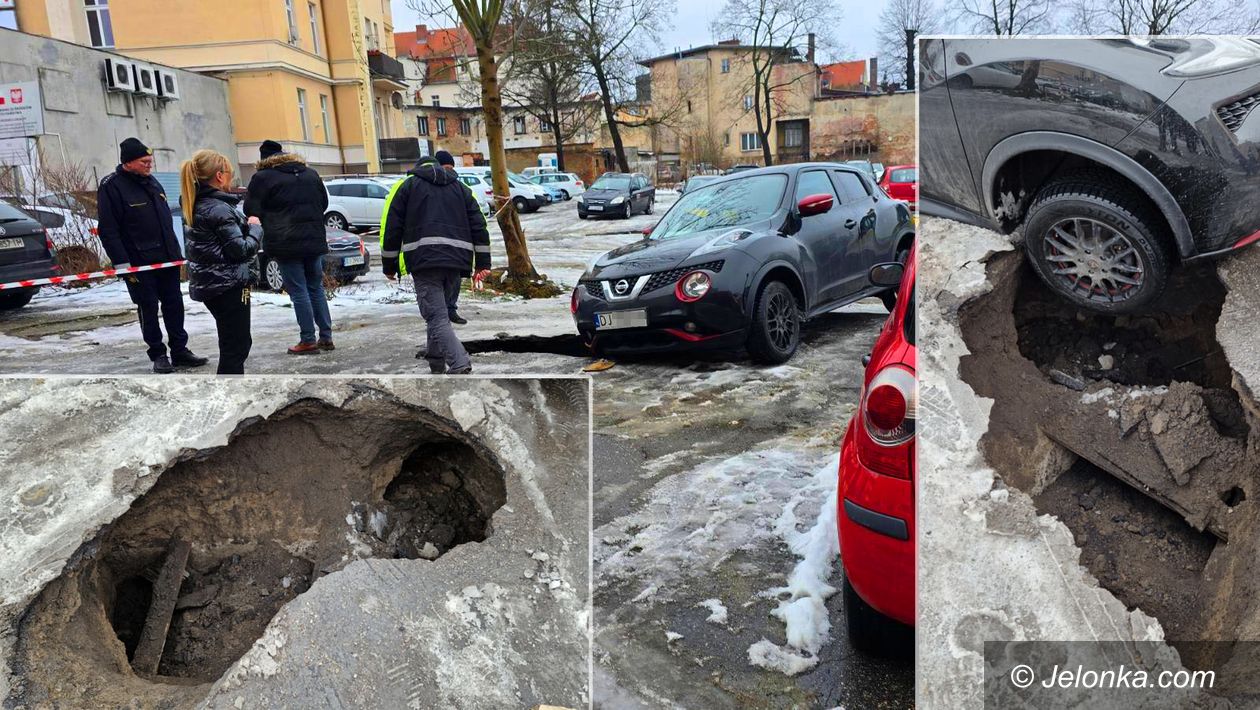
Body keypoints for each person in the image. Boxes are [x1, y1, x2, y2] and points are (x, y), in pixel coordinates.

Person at [98, 137, 208, 373]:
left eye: (150, 161)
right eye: (144, 161)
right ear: (128, 162)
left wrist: (176, 254)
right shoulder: (111, 186)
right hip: (139, 263)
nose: (149, 165)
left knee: (174, 305)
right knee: (148, 307)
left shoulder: (152, 182)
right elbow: (108, 230)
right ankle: (158, 353)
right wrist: (122, 264)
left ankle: (180, 350)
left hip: (167, 258)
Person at [381, 156, 491, 374]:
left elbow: (393, 227)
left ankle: (459, 363)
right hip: (457, 261)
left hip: (425, 261)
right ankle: (436, 361)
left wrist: (389, 265)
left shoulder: (408, 187)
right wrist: (482, 263)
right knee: (438, 314)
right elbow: (479, 226)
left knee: (436, 316)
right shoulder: (460, 188)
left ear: (417, 168)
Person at [244, 139, 333, 354]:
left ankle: (308, 339)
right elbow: (324, 203)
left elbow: (250, 209)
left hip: (285, 242)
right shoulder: (310, 174)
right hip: (313, 240)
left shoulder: (262, 178)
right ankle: (326, 336)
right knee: (315, 288)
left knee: (298, 290)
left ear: (264, 159)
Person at [180, 150, 262, 375]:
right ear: (219, 175)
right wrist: (255, 227)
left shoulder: (198, 204)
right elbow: (241, 250)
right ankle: (230, 400)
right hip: (229, 285)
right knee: (236, 347)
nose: (232, 178)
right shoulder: (217, 209)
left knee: (234, 344)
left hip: (216, 283)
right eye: (230, 173)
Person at [435, 150, 470, 325]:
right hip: (434, 247)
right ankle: (442, 314)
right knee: (437, 285)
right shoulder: (429, 189)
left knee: (454, 280)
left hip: (456, 245)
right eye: (445, 167)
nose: (448, 172)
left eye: (451, 168)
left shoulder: (460, 189)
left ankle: (450, 309)